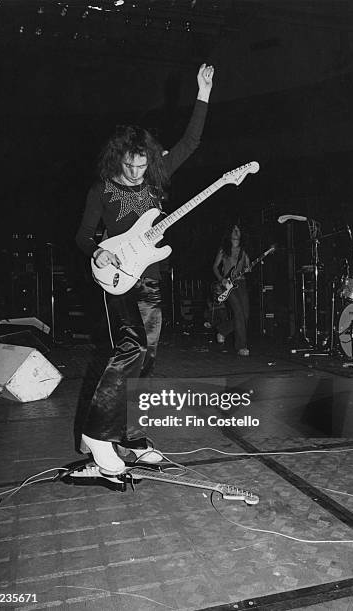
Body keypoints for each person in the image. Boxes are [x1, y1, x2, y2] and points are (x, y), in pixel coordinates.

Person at [75, 63, 215, 475]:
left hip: (149, 280)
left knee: (148, 359)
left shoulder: (155, 180)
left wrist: (203, 93)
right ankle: (98, 437)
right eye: (130, 166)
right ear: (117, 159)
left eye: (142, 165)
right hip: (115, 280)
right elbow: (83, 236)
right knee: (129, 347)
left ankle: (130, 439)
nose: (136, 173)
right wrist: (97, 253)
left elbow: (191, 142)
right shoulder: (101, 189)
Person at [212, 222, 250, 356]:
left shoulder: (243, 251)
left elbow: (247, 266)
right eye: (233, 229)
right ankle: (241, 346)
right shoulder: (224, 250)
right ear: (229, 233)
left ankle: (223, 329)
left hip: (241, 283)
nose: (236, 231)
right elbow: (215, 267)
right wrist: (221, 279)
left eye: (238, 230)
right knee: (239, 313)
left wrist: (248, 268)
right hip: (228, 285)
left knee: (245, 315)